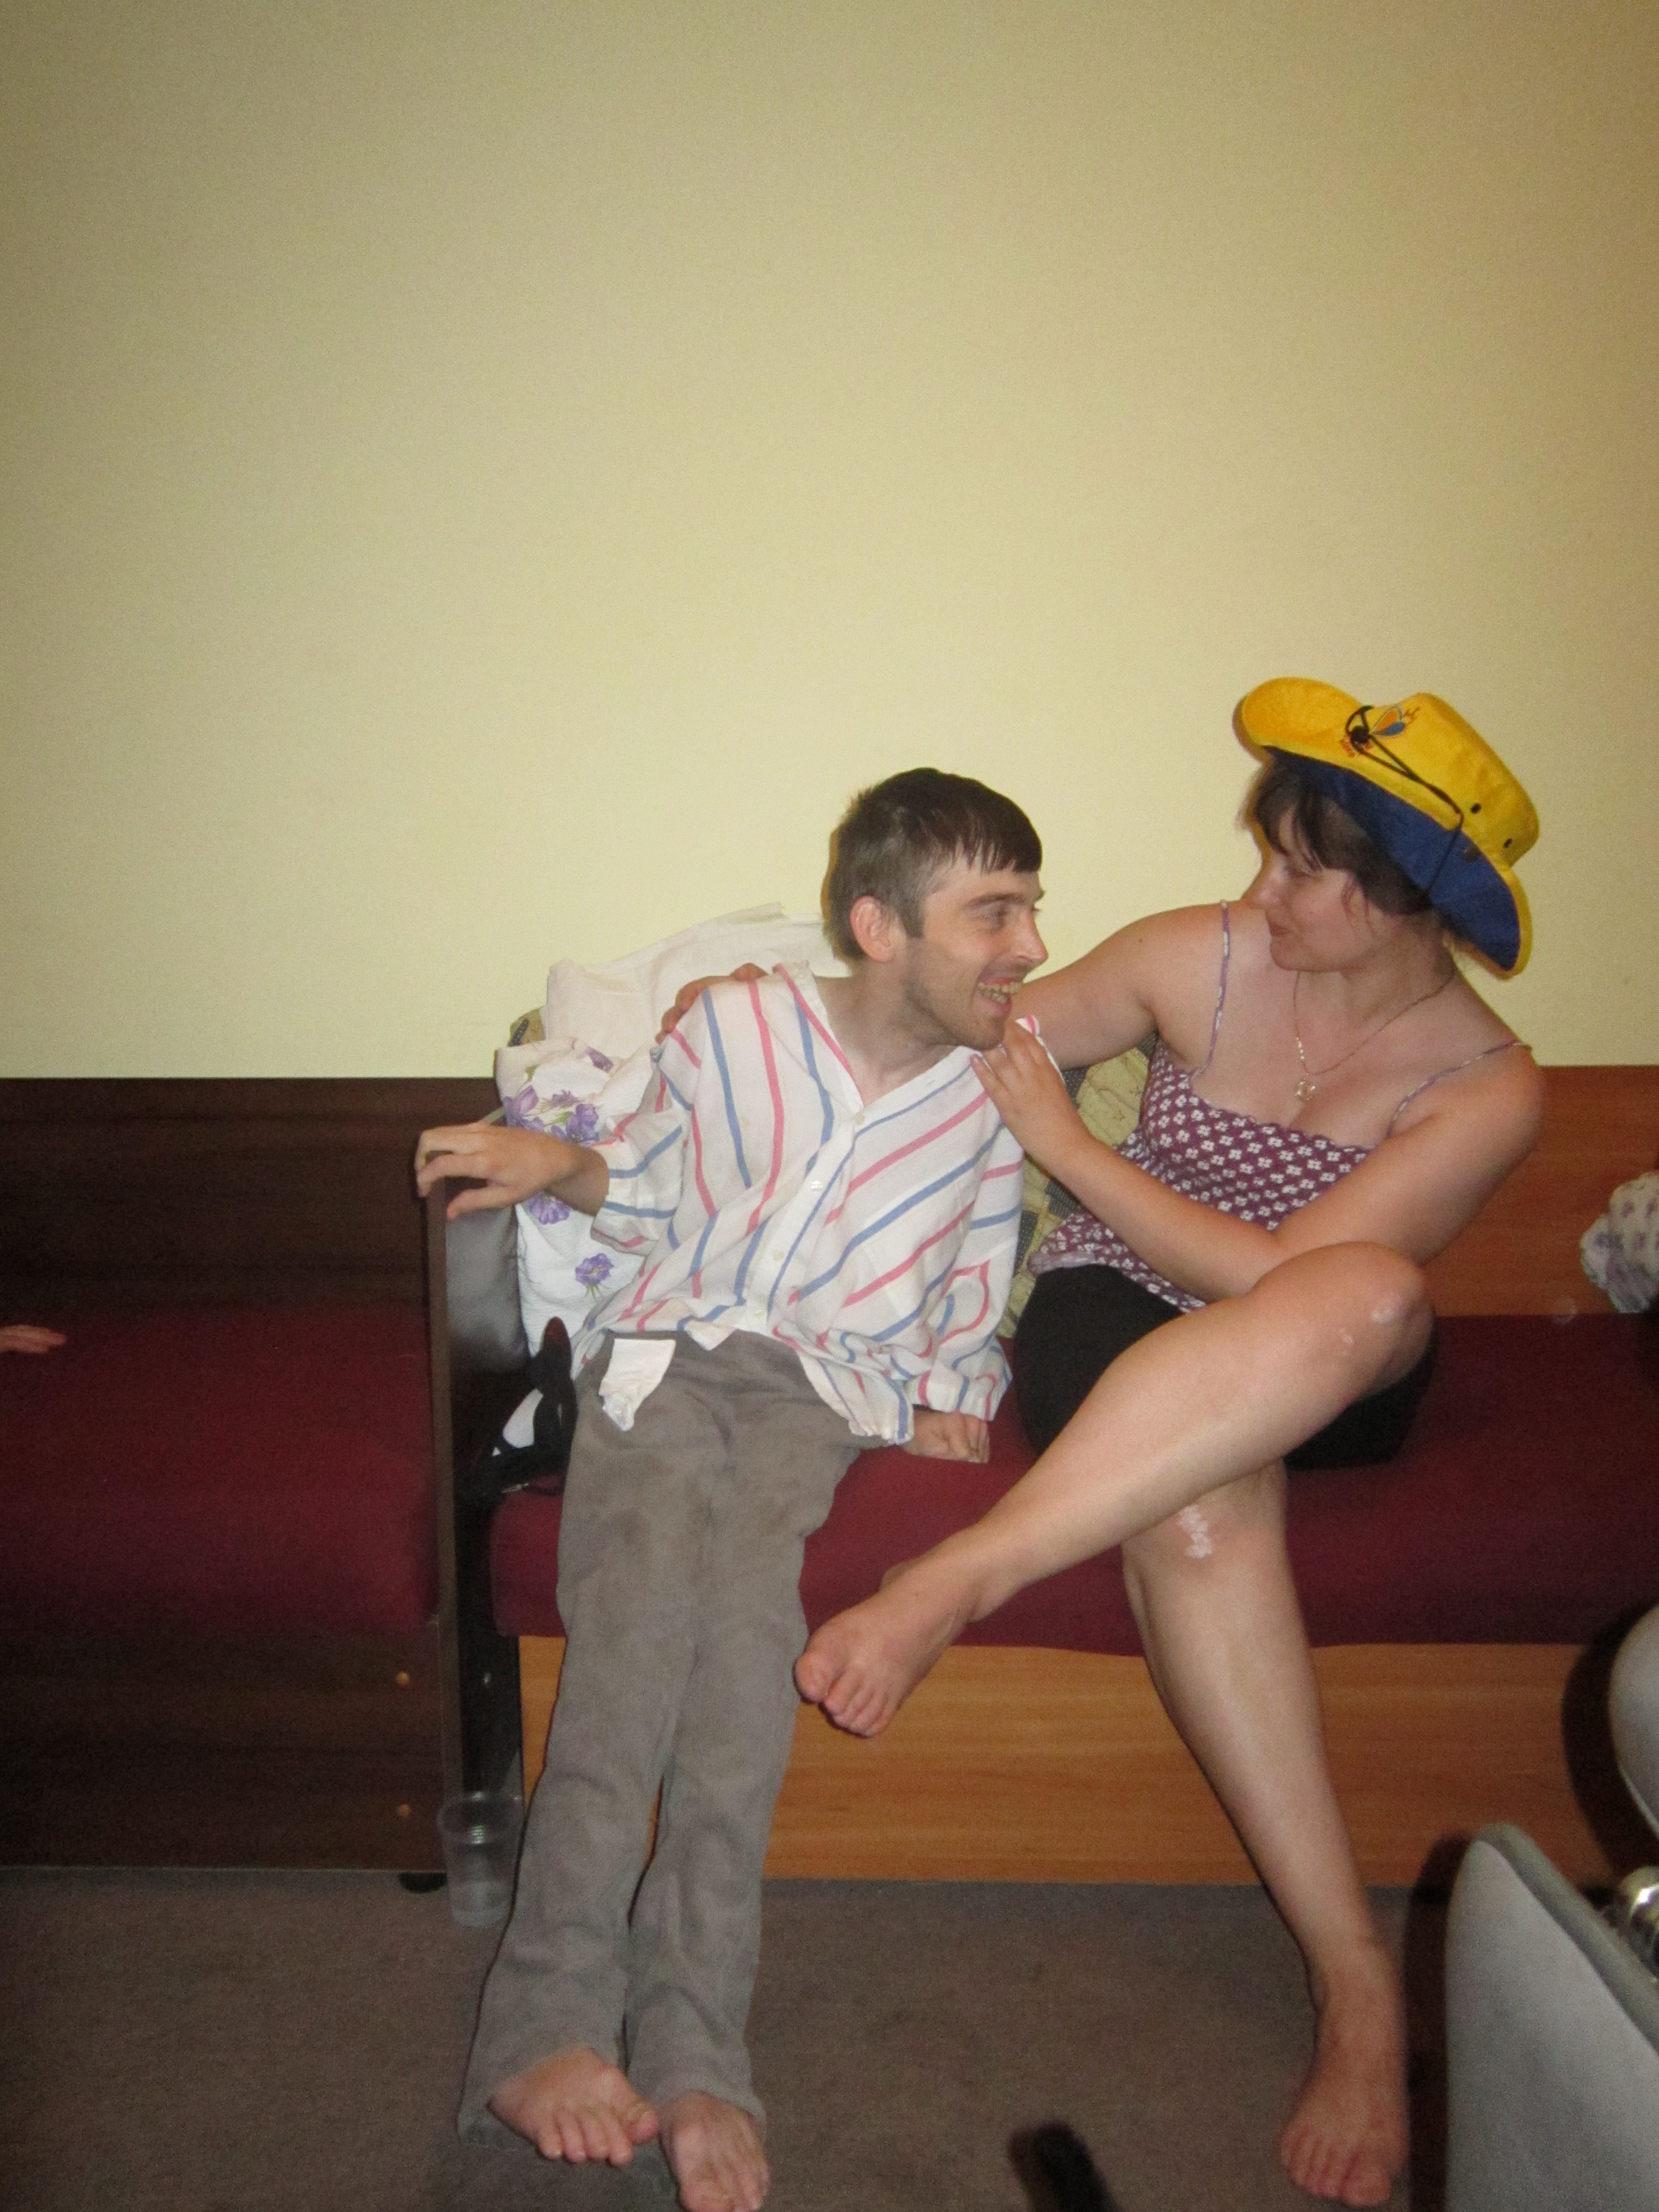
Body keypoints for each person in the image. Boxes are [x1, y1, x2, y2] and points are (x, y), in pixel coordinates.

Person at [794, 680, 1544, 2209]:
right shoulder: (1190, 956)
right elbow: (963, 1030)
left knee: (1372, 1290)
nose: (1261, 890)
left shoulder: (1488, 1084)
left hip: (1321, 1358)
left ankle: (965, 1570)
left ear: (1406, 905)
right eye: (1267, 855)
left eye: (1301, 871)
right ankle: (1355, 1980)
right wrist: (748, 1008)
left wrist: (1072, 1149)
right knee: (1198, 1508)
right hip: (1118, 1319)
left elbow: (1283, 1285)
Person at [414, 769, 1047, 2212]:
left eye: (1030, 910)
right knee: (633, 1642)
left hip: (825, 1399)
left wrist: (956, 1389)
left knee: (745, 1668)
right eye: (994, 913)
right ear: (880, 926)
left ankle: (698, 2053)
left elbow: (977, 1263)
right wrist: (553, 1157)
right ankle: (543, 2029)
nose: (1027, 946)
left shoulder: (996, 1094)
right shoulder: (739, 1026)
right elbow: (644, 1185)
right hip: (668, 1362)